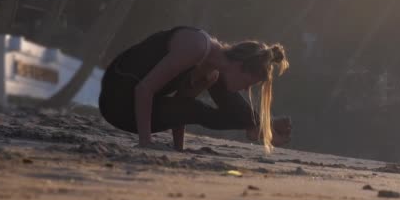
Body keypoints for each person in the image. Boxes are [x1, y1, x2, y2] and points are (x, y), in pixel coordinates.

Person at [98, 25, 291, 152]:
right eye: (249, 83)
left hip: (133, 106)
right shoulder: (196, 46)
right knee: (207, 97)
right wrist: (145, 142)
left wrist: (178, 148)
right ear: (240, 66)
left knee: (214, 83)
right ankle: (258, 123)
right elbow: (143, 89)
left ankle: (255, 123)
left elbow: (180, 109)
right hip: (117, 103)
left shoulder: (211, 71)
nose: (246, 89)